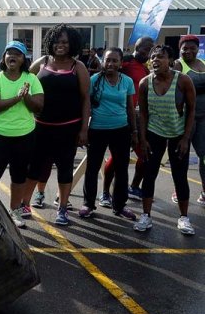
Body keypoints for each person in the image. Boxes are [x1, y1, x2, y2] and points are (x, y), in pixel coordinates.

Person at [23, 23, 90, 226]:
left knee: (65, 168)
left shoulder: (77, 67)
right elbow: (23, 81)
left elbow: (86, 98)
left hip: (68, 128)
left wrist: (84, 129)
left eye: (65, 42)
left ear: (72, 45)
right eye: (57, 41)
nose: (60, 45)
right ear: (50, 43)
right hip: (41, 126)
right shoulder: (42, 62)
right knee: (35, 168)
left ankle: (62, 208)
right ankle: (24, 205)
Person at [134, 45, 196, 235]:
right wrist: (143, 139)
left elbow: (192, 109)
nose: (155, 60)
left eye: (160, 57)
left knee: (179, 176)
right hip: (155, 132)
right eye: (153, 57)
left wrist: (186, 138)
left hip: (177, 133)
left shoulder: (183, 80)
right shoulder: (145, 83)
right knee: (149, 174)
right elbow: (143, 113)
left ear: (170, 60)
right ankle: (146, 216)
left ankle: (184, 218)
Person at [0, 41, 44, 228]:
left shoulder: (31, 79)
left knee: (19, 177)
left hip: (24, 136)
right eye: (9, 53)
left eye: (17, 54)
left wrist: (26, 97)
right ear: (4, 58)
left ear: (23, 59)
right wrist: (16, 98)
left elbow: (39, 107)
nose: (12, 57)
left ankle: (15, 212)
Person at [79, 48, 137, 220]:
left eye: (114, 60)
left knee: (122, 169)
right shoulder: (94, 80)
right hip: (97, 130)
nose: (110, 64)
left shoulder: (127, 81)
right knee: (92, 168)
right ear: (102, 61)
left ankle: (119, 205)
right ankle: (88, 204)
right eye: (107, 60)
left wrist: (134, 131)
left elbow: (130, 108)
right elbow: (86, 106)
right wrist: (83, 130)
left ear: (120, 63)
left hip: (121, 130)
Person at [100, 37, 154, 206]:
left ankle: (134, 187)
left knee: (146, 156)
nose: (146, 54)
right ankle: (105, 192)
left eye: (149, 50)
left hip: (139, 117)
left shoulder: (146, 68)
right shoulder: (126, 64)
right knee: (116, 158)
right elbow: (108, 72)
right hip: (119, 116)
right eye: (143, 50)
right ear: (136, 48)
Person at [172, 35, 205, 205]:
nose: (188, 51)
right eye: (185, 48)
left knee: (204, 155)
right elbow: (179, 90)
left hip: (203, 118)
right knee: (181, 155)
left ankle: (204, 191)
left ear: (198, 49)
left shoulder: (203, 64)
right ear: (180, 49)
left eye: (192, 48)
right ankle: (179, 190)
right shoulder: (178, 64)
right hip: (185, 118)